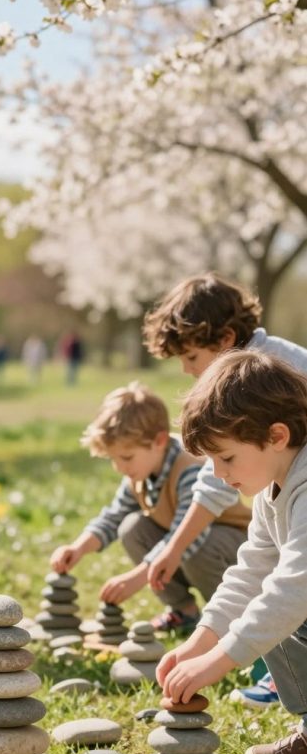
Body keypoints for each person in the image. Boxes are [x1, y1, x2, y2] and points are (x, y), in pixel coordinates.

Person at [157, 351, 307, 754]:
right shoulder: (271, 488)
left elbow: (295, 588)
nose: (220, 476)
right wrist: (200, 641)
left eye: (226, 459)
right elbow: (250, 574)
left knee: (282, 607)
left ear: (276, 436)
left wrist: (220, 660)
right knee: (267, 610)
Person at [142, 273, 307, 645]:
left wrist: (175, 548)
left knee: (289, 585)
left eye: (191, 356)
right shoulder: (247, 377)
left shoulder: (266, 372)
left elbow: (218, 485)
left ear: (226, 340)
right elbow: (220, 475)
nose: (186, 369)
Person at [50, 383, 249, 616]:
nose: (120, 467)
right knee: (132, 527)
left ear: (159, 441)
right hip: (187, 550)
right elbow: (114, 516)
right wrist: (78, 547)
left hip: (230, 545)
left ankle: (229, 616)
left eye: (126, 457)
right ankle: (183, 611)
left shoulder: (189, 468)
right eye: (113, 459)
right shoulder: (139, 473)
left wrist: (138, 577)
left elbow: (185, 536)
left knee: (199, 545)